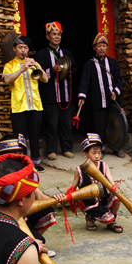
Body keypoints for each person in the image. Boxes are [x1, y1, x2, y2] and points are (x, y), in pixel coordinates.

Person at [0, 134, 57, 257]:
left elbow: (39, 195)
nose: (16, 156)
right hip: (7, 215)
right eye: (13, 153)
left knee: (47, 210)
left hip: (21, 211)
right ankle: (30, 246)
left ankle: (36, 241)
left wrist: (58, 199)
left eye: (19, 153)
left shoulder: (24, 173)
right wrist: (11, 210)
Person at [58, 133, 123, 233]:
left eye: (99, 152)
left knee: (117, 199)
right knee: (107, 217)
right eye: (94, 153)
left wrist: (114, 188)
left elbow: (111, 182)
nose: (97, 156)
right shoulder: (79, 170)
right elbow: (73, 188)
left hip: (103, 199)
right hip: (90, 203)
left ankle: (111, 222)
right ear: (85, 154)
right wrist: (65, 198)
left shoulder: (104, 165)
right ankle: (90, 217)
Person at [2, 35, 48, 172]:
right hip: (18, 106)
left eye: (25, 47)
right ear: (14, 49)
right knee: (20, 137)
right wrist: (22, 69)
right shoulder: (9, 65)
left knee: (35, 134)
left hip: (35, 105)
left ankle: (36, 163)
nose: (23, 50)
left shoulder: (34, 63)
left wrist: (35, 65)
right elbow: (7, 80)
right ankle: (22, 163)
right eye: (20, 47)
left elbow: (45, 79)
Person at [78, 33, 125, 158]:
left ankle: (117, 147)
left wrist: (115, 91)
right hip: (98, 100)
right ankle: (101, 148)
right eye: (99, 46)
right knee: (100, 125)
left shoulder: (113, 63)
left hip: (113, 100)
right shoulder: (89, 64)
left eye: (104, 46)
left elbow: (119, 80)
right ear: (94, 48)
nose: (102, 48)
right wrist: (82, 96)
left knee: (116, 124)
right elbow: (85, 81)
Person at [35, 21, 77, 160]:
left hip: (66, 95)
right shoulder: (41, 54)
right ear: (48, 36)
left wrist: (67, 70)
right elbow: (38, 74)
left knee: (66, 123)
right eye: (54, 34)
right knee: (52, 123)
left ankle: (66, 148)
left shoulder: (67, 53)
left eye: (59, 34)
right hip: (51, 96)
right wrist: (51, 71)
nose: (57, 37)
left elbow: (76, 69)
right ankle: (51, 150)